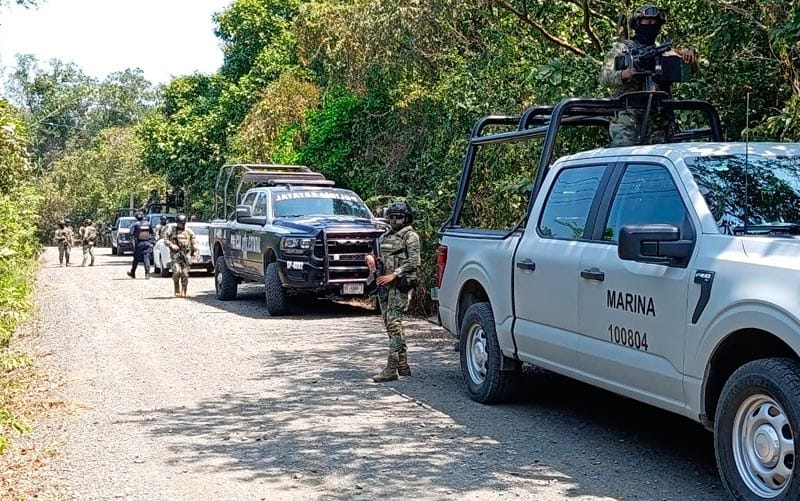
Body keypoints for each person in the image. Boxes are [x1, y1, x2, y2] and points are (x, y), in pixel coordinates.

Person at [598, 5, 698, 146]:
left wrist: (690, 58)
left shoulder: (664, 51)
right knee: (624, 157)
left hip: (659, 121)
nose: (651, 25)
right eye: (647, 22)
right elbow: (604, 77)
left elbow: (689, 71)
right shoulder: (623, 49)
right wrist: (625, 74)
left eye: (654, 22)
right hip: (629, 118)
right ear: (637, 23)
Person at [366, 201, 421, 382]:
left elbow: (413, 262)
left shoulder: (410, 236)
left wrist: (394, 275)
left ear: (406, 217)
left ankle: (391, 369)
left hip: (400, 285)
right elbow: (381, 259)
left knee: (393, 324)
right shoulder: (386, 236)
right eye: (392, 217)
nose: (395, 220)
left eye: (399, 217)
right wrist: (372, 263)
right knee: (390, 325)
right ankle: (403, 366)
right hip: (384, 285)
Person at [163, 214, 198, 297]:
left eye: (183, 223)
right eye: (180, 223)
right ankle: (177, 289)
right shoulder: (171, 231)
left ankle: (184, 290)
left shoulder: (189, 232)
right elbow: (165, 240)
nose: (182, 225)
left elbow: (194, 242)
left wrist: (196, 251)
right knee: (177, 271)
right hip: (175, 254)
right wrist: (171, 245)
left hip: (186, 254)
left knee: (185, 273)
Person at [127, 211, 154, 279]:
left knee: (136, 259)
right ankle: (147, 273)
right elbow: (152, 232)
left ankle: (133, 273)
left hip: (138, 243)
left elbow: (130, 233)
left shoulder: (135, 224)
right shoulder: (148, 224)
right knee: (146, 258)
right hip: (147, 243)